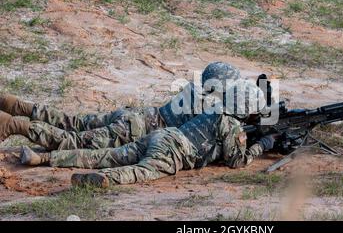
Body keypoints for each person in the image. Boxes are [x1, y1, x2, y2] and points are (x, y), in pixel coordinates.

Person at [20, 79, 276, 188]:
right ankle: (103, 178)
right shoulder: (231, 125)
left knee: (107, 153)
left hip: (161, 135)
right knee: (141, 171)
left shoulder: (214, 109)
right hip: (173, 151)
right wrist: (262, 145)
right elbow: (236, 161)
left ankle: (44, 158)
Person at [0, 62, 241, 150]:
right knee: (72, 141)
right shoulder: (212, 105)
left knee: (75, 123)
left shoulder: (195, 89)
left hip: (138, 115)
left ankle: (16, 105)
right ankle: (14, 125)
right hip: (135, 129)